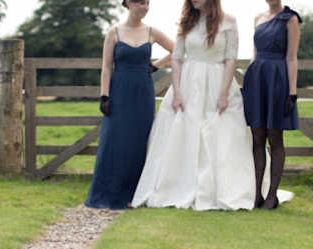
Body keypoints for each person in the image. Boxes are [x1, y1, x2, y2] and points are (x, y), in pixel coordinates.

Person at [132, 0, 265, 211]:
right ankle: (179, 185)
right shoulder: (187, 21)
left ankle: (218, 189)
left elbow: (231, 59)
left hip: (217, 83)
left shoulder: (229, 21)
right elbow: (176, 58)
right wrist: (176, 92)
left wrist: (223, 93)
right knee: (183, 132)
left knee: (220, 135)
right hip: (188, 84)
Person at [84, 0, 174, 210]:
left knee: (139, 140)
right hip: (118, 90)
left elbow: (178, 50)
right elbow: (106, 68)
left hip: (143, 91)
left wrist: (155, 65)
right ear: (128, 3)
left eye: (148, 3)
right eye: (141, 2)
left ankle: (134, 194)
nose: (145, 7)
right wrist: (104, 96)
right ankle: (108, 192)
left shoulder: (152, 31)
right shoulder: (113, 32)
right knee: (114, 140)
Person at [242, 0, 301, 209]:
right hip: (257, 79)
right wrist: (248, 83)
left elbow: (292, 58)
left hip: (277, 79)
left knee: (274, 137)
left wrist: (292, 93)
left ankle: (272, 195)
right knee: (257, 137)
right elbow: (255, 54)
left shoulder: (291, 18)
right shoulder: (258, 18)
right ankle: (256, 194)